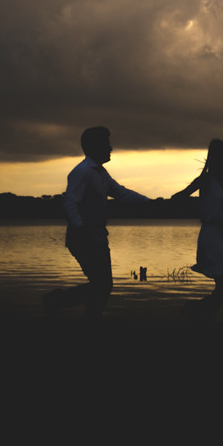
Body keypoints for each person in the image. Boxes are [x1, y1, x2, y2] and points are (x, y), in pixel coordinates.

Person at [44, 126, 151, 319]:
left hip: (97, 238)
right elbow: (70, 203)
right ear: (95, 146)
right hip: (84, 238)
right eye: (106, 144)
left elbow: (121, 193)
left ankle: (73, 309)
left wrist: (151, 203)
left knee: (102, 285)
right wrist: (80, 228)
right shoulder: (82, 172)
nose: (110, 148)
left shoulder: (100, 173)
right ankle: (57, 301)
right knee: (103, 285)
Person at [172, 139, 223, 316]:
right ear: (215, 158)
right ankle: (199, 312)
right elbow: (179, 197)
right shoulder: (206, 180)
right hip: (211, 236)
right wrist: (199, 208)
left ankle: (197, 311)